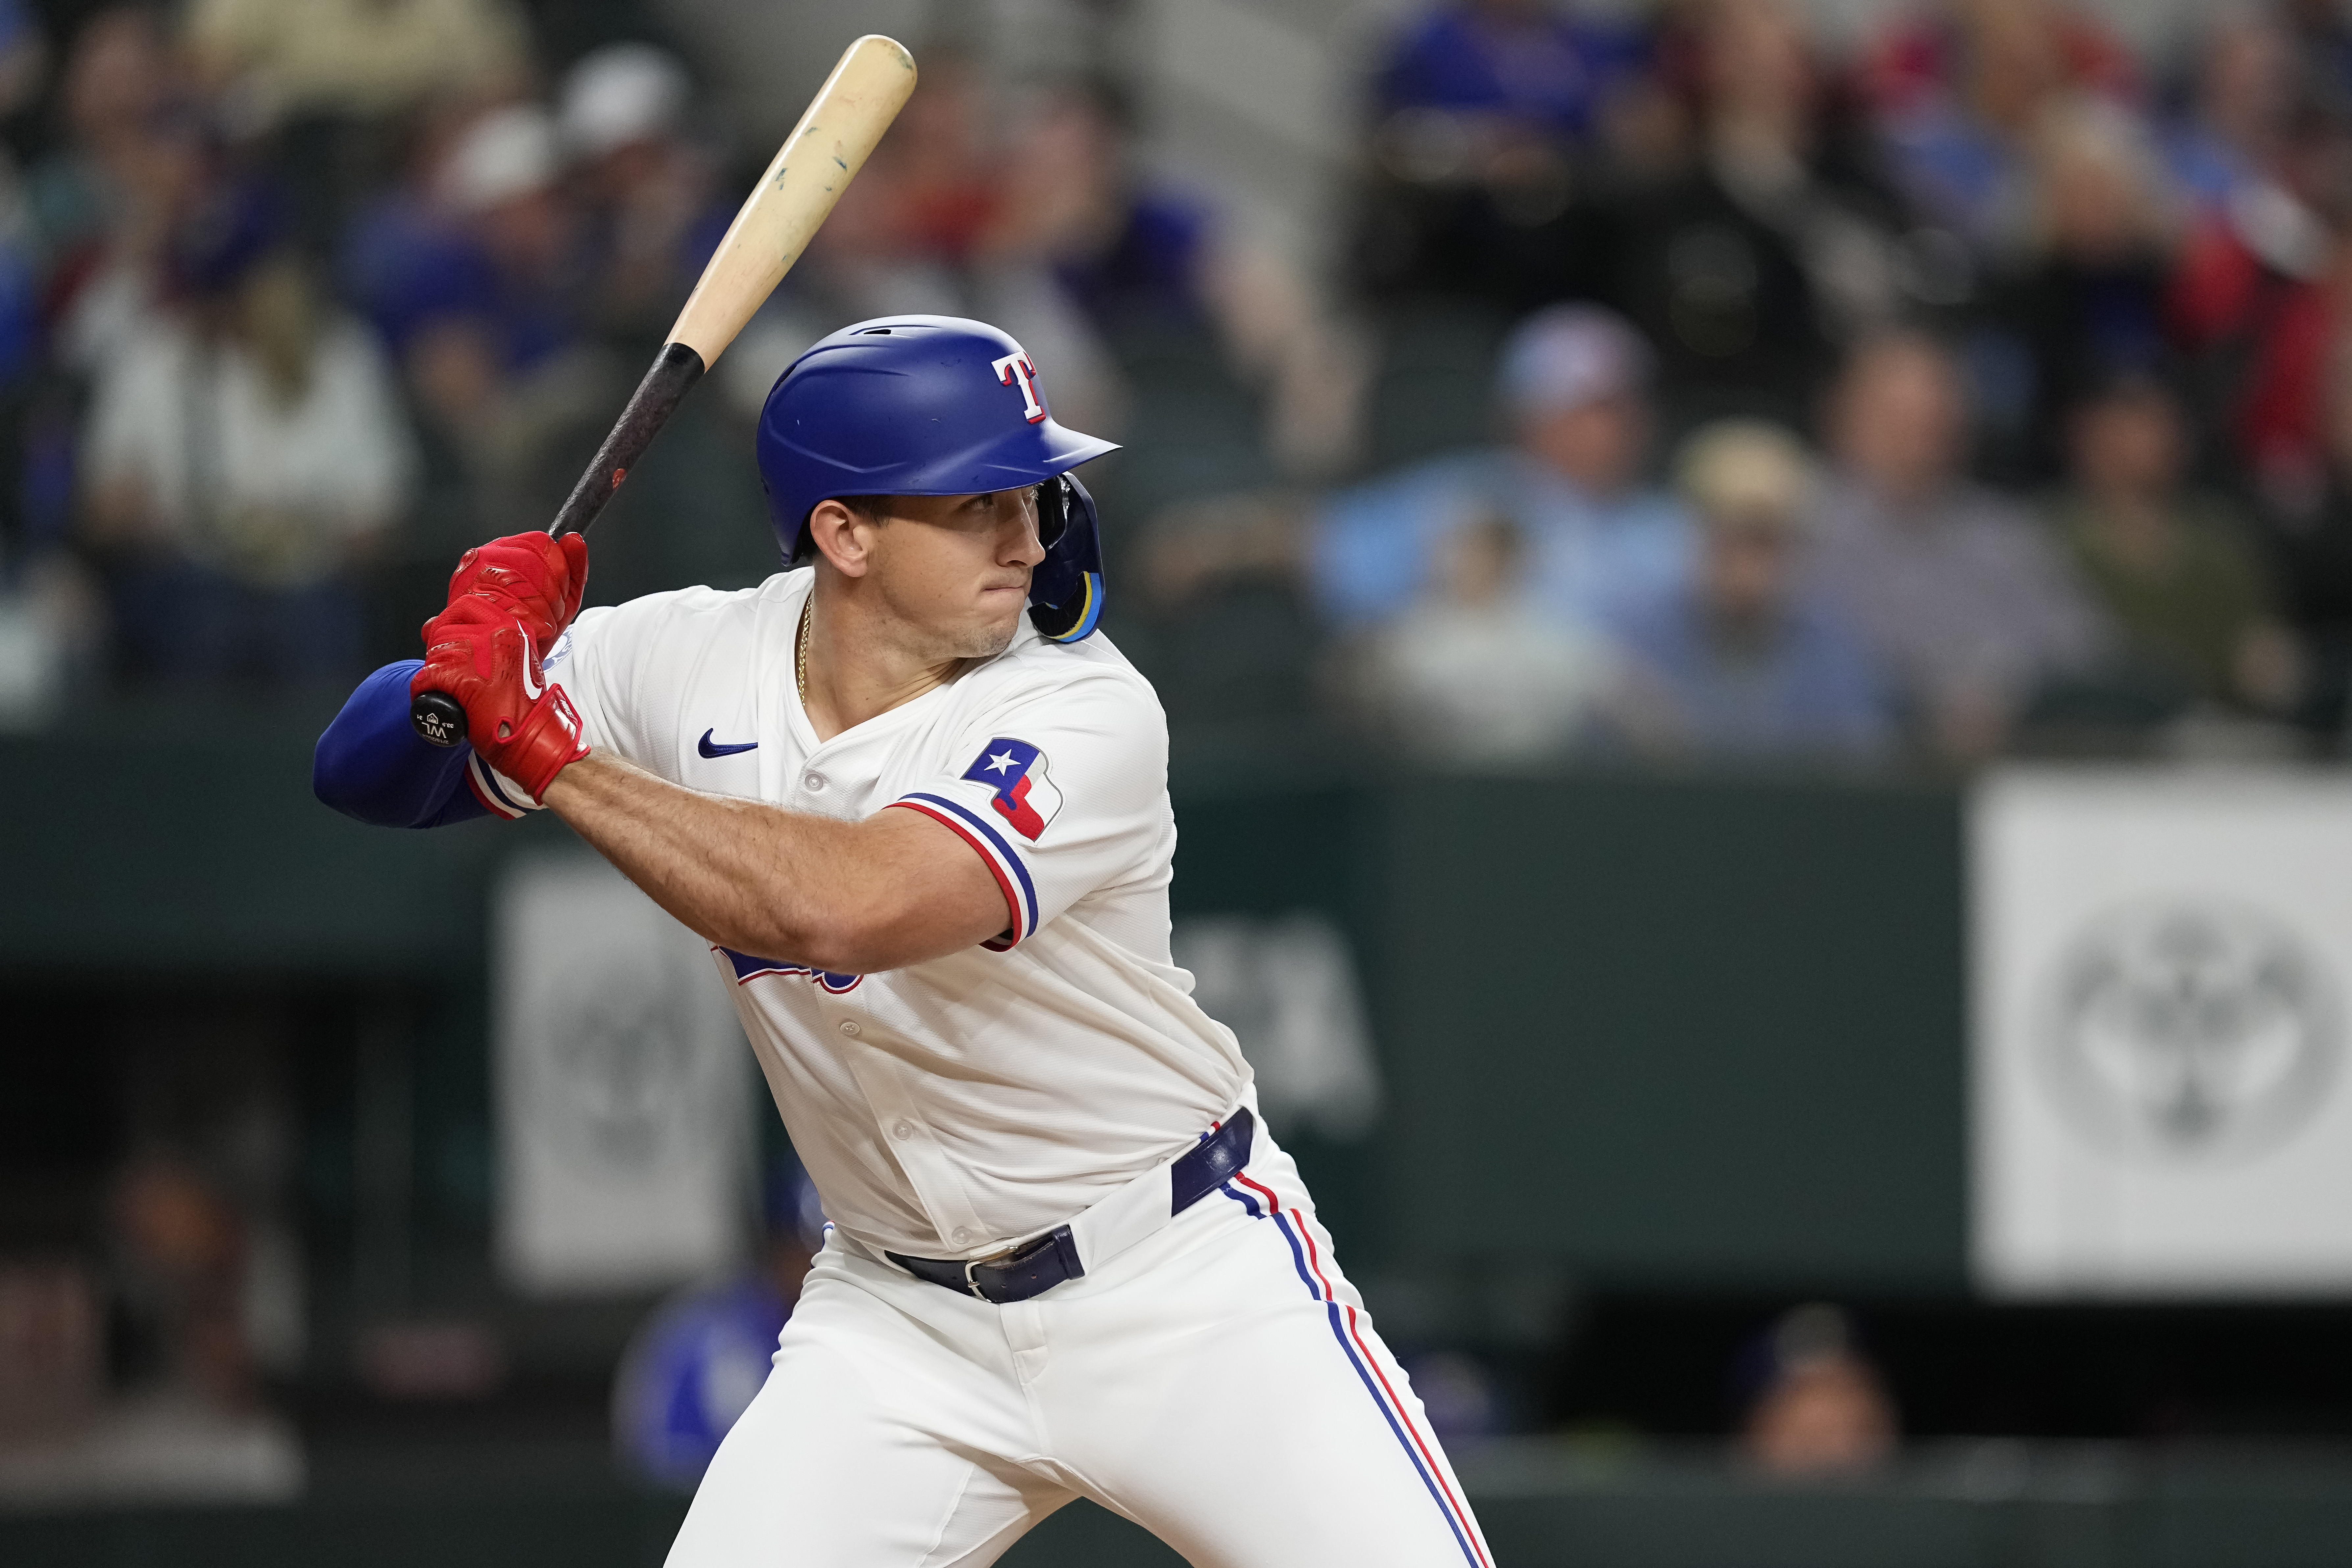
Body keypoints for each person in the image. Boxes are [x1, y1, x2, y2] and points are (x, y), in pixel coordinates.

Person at [313, 316, 1492, 1566]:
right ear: (845, 531)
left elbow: (851, 907)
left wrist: (544, 745)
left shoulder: (1082, 704)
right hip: (900, 1324)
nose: (1028, 537)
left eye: (1033, 494)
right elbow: (367, 775)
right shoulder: (687, 655)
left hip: (1179, 1283)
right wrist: (466, 659)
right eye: (977, 502)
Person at [79, 182, 417, 687]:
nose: (223, 306)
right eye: (213, 290)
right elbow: (103, 511)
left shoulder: (344, 360)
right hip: (189, 580)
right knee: (202, 618)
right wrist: (151, 521)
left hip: (311, 586)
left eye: (238, 289)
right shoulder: (155, 359)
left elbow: (378, 520)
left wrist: (298, 535)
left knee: (312, 625)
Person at [1808, 330, 2106, 759]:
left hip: (2022, 761)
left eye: (1939, 419)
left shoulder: (2003, 531)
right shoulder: (1806, 527)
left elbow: (2082, 649)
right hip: (1863, 767)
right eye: (1903, 420)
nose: (1928, 432)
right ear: (1845, 419)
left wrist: (2004, 694)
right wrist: (1940, 699)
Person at [1312, 303, 1692, 634]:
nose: (1622, 425)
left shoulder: (1671, 528)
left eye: (1630, 405)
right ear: (1529, 416)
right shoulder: (1461, 497)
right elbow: (1317, 546)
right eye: (1597, 408)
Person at [1607, 420, 1891, 761]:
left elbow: (1859, 768)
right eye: (1729, 539)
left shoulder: (1834, 654)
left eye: (1763, 543)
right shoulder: (1636, 645)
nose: (1744, 565)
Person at [2050, 374, 2297, 718]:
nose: (2155, 436)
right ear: (2085, 434)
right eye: (2133, 420)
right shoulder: (2046, 537)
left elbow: (2262, 649)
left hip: (2220, 727)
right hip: (2093, 730)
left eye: (2163, 421)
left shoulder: (2220, 538)